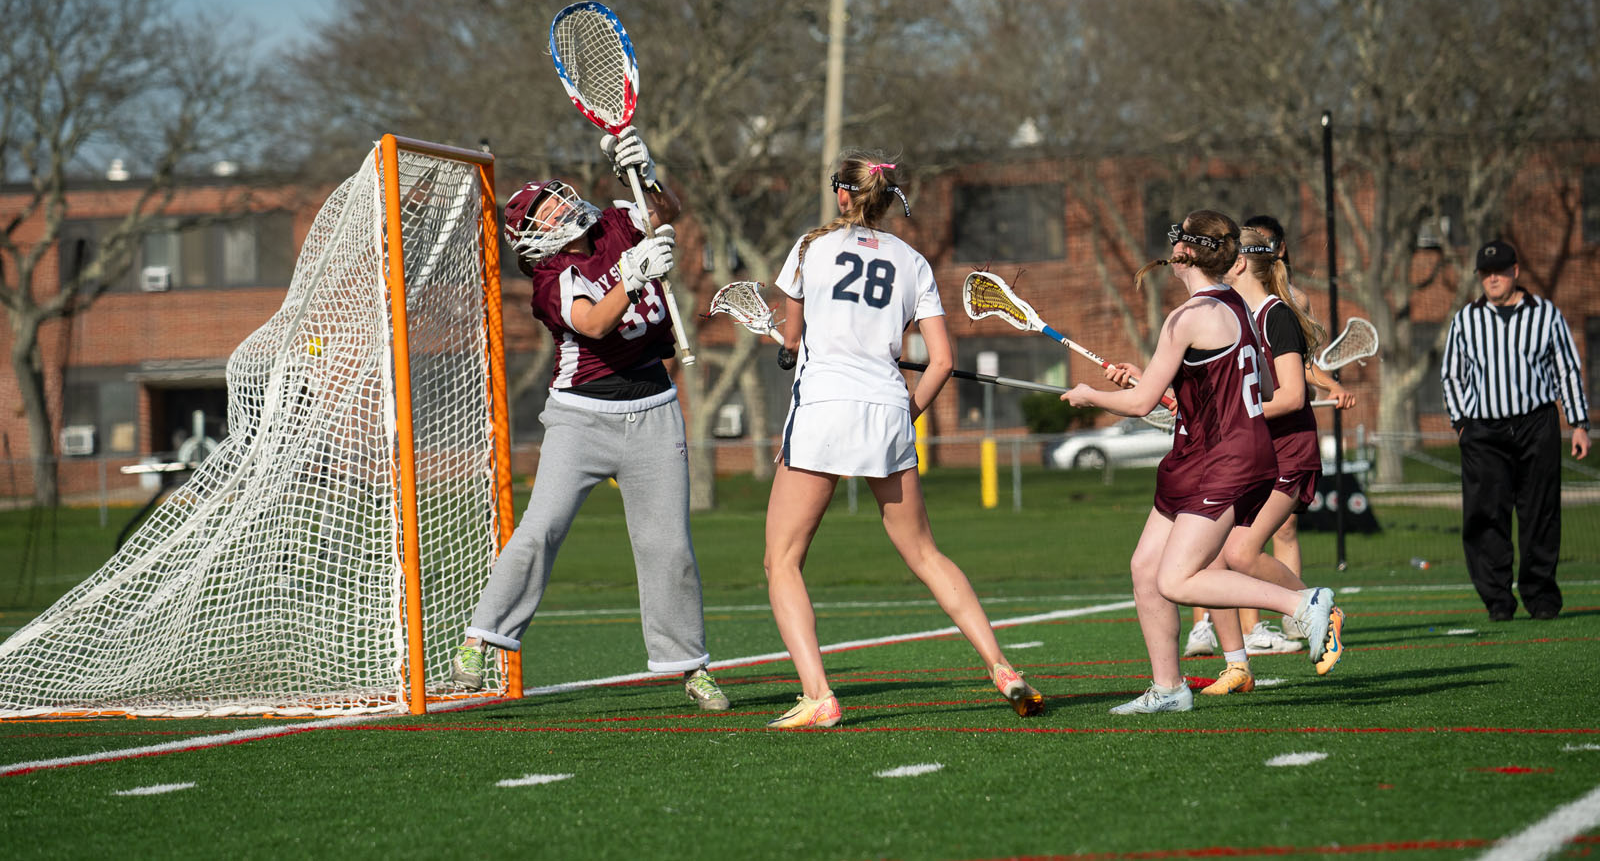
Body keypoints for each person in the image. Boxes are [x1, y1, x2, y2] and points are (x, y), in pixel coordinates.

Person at [449, 127, 729, 712]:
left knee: (667, 546)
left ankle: (691, 666)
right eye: (547, 212)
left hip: (653, 408)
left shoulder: (613, 224)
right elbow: (596, 324)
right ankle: (481, 638)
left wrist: (647, 173)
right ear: (535, 238)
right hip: (582, 416)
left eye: (558, 199)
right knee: (542, 527)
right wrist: (633, 277)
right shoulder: (549, 280)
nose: (562, 208)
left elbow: (666, 211)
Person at [762, 153, 1044, 729]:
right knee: (925, 554)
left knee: (782, 560)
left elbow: (793, 340)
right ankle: (1002, 667)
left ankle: (818, 695)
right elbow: (941, 362)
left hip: (822, 409)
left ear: (843, 195)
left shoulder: (810, 247)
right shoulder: (913, 261)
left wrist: (788, 344)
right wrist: (904, 414)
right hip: (887, 410)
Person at [1065, 211, 1344, 715]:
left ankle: (1302, 603)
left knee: (1176, 579)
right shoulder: (1237, 305)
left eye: (1177, 237)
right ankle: (1169, 688)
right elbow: (1235, 384)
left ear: (1185, 254)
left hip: (1222, 459)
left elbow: (1140, 403)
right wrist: (1163, 381)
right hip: (1200, 455)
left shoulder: (1186, 317)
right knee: (1145, 568)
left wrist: (1090, 397)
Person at [1192, 224, 1358, 696]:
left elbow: (1290, 397)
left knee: (1241, 552)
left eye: (1226, 253)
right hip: (1252, 453)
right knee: (1207, 556)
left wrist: (1231, 415)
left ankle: (1315, 605)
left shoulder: (1275, 316)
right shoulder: (1235, 316)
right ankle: (1237, 665)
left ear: (1241, 262)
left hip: (1288, 451)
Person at [1441, 239, 1590, 622]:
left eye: (1499, 272)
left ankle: (1541, 597)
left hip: (1535, 424)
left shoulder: (1546, 314)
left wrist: (1578, 423)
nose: (1492, 279)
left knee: (1540, 512)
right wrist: (1461, 423)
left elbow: (1566, 369)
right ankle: (1497, 600)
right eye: (1485, 273)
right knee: (1485, 515)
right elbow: (1452, 375)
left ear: (1515, 272)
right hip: (1483, 430)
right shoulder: (1466, 319)